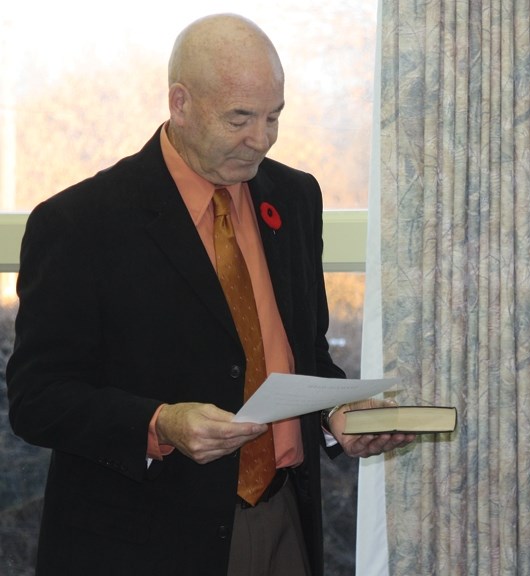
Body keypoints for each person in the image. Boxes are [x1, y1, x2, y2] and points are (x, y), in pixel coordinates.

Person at [6, 13, 413, 576]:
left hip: (283, 522)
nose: (262, 139)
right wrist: (161, 422)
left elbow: (303, 354)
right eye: (240, 119)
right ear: (180, 103)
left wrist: (339, 415)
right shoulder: (80, 222)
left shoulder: (294, 197)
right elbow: (37, 399)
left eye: (274, 117)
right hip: (144, 540)